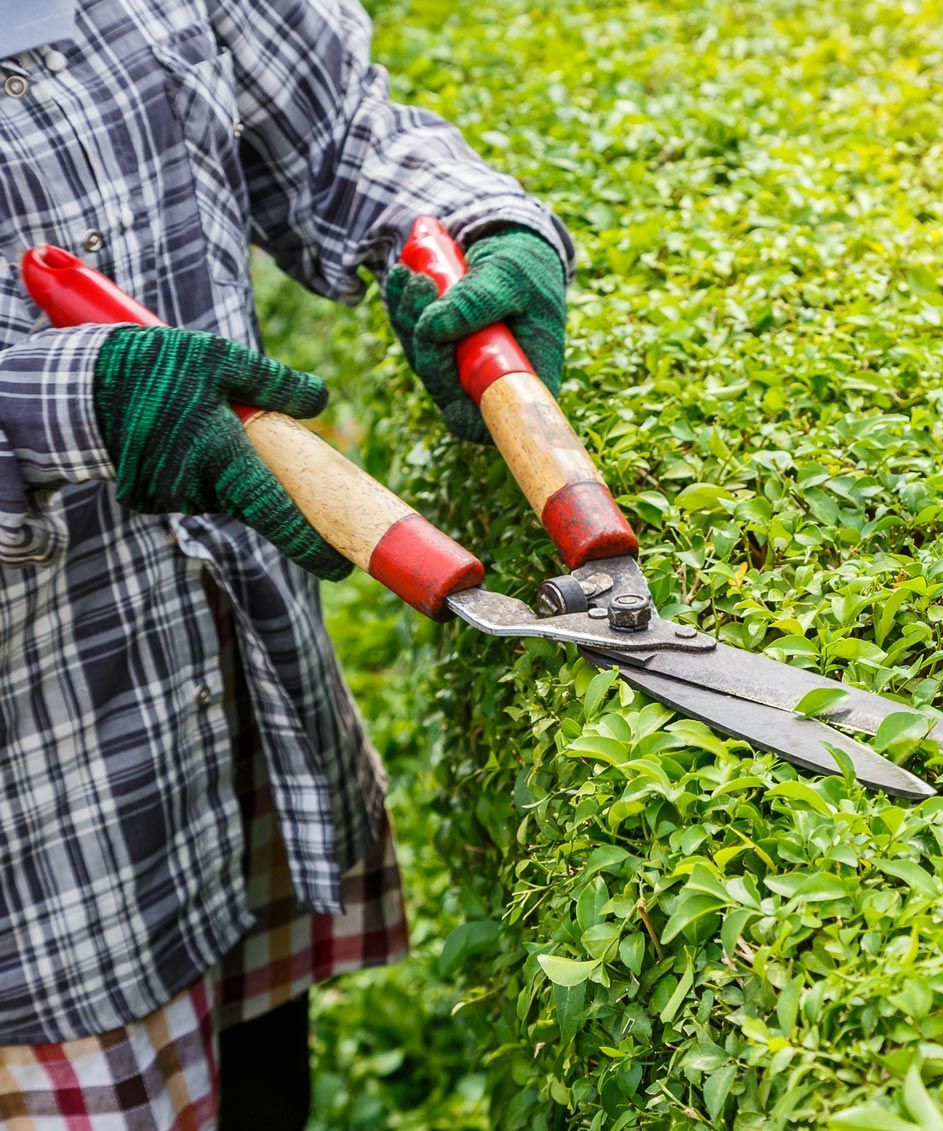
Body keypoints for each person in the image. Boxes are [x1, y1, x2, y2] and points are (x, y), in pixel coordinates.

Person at [0, 0, 571, 1125]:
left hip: (225, 731)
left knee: (262, 1082)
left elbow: (344, 133)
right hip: (41, 836)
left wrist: (469, 227)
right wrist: (70, 401)